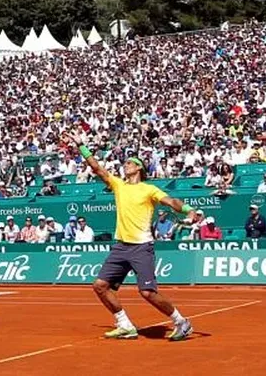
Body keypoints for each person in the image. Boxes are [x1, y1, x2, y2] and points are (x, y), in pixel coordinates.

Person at [64, 131, 195, 342]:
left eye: (130, 163)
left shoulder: (149, 189)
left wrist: (189, 210)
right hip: (121, 247)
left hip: (141, 247)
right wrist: (81, 145)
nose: (125, 165)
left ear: (139, 168)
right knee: (100, 286)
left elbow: (172, 202)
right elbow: (97, 168)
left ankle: (182, 322)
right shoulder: (119, 185)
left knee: (148, 292)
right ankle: (124, 324)